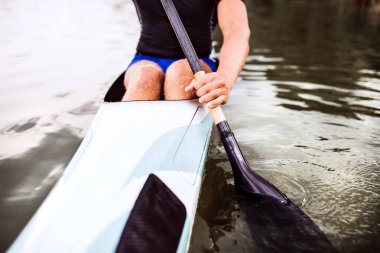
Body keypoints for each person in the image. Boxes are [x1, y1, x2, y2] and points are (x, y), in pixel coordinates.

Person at [122, 0, 250, 109]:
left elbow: (236, 32)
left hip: (198, 61)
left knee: (182, 73)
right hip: (146, 58)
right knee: (145, 77)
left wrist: (224, 79)